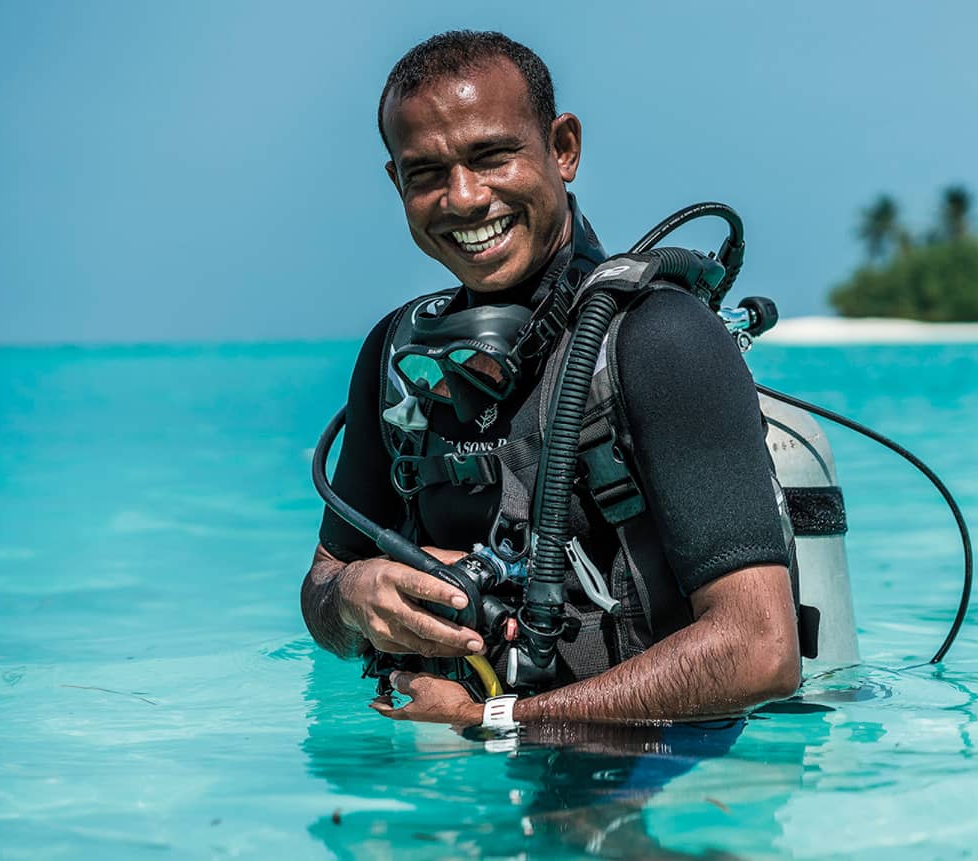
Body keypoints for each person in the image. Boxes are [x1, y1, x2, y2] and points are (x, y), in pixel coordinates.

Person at [300, 30, 800, 728]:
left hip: (661, 770)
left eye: (491, 156)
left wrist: (496, 721)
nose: (464, 198)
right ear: (396, 182)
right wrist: (352, 595)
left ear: (563, 148)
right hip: (465, 773)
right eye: (426, 173)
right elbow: (322, 585)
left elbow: (761, 652)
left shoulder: (662, 340)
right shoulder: (397, 359)